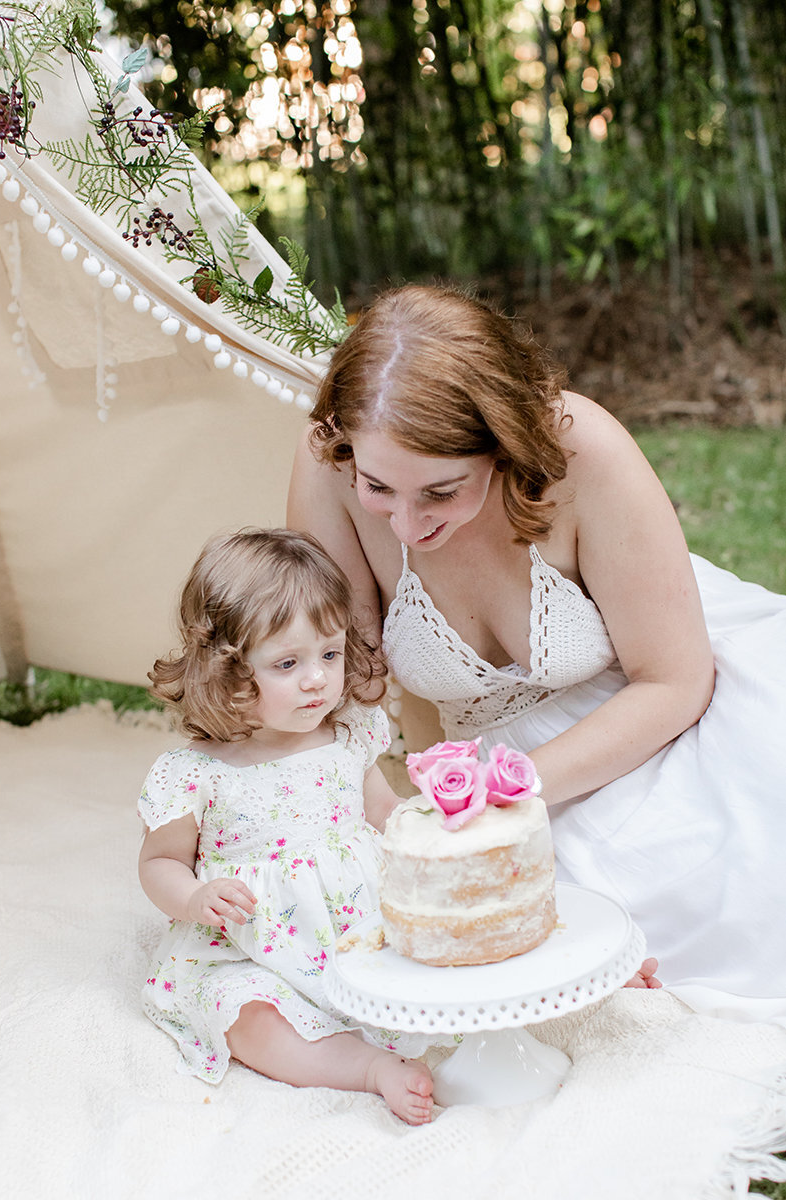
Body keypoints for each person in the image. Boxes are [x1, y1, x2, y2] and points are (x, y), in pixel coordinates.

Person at [288, 283, 786, 1023]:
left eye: (440, 491)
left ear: (502, 444)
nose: (406, 521)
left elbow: (676, 681)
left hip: (664, 713)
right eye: (378, 487)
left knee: (737, 883)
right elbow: (330, 685)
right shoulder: (329, 466)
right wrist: (393, 812)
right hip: (500, 779)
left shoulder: (580, 449)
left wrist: (504, 790)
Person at [137, 527, 439, 1125]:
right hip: (256, 942)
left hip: (358, 921)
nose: (317, 680)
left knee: (433, 954)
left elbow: (382, 809)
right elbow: (159, 863)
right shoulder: (196, 772)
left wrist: (428, 832)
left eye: (329, 654)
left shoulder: (349, 733)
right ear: (224, 669)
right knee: (247, 1015)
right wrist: (197, 898)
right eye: (287, 663)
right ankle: (363, 1068)